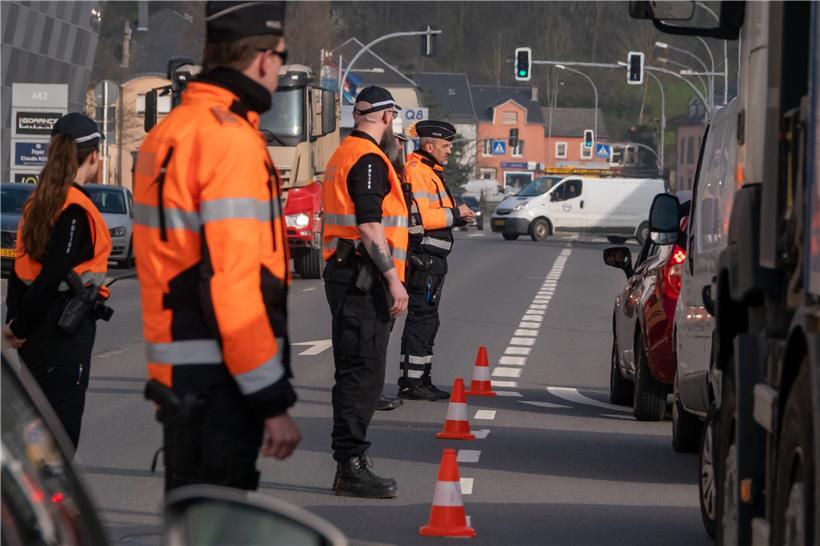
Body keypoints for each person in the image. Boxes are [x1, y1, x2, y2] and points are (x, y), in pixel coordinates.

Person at [132, 0, 300, 493]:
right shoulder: (232, 142)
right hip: (222, 383)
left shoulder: (169, 133)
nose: (279, 69)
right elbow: (235, 285)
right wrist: (270, 399)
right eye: (282, 57)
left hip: (178, 374)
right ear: (265, 57)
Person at [4, 112, 112, 451]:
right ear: (93, 155)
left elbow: (22, 268)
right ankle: (53, 504)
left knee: (36, 433)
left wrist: (16, 322)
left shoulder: (36, 203)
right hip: (63, 332)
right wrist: (20, 326)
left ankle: (30, 501)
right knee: (60, 440)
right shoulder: (76, 209)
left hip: (33, 335)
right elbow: (51, 276)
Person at [323, 85, 409, 498]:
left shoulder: (343, 152)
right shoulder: (370, 159)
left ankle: (349, 463)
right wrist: (393, 278)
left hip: (347, 273)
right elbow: (370, 225)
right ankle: (350, 466)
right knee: (363, 373)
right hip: (363, 278)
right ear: (387, 117)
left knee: (354, 369)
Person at [397, 120, 475, 400]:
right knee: (423, 319)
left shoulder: (431, 172)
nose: (449, 151)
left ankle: (421, 379)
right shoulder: (418, 172)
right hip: (424, 259)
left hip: (433, 259)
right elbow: (420, 217)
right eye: (445, 146)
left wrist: (457, 214)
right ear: (428, 145)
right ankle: (412, 383)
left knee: (428, 320)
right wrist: (455, 214)